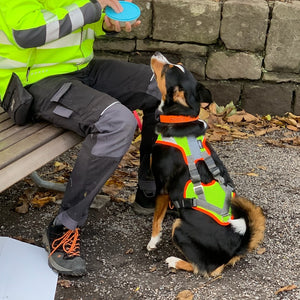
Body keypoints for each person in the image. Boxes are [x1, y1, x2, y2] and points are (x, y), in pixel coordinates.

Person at [0, 0, 160, 276]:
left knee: (165, 87)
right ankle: (64, 226)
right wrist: (94, 8)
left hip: (81, 71)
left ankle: (151, 189)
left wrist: (106, 23)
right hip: (31, 82)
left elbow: (78, 20)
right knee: (116, 122)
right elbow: (27, 33)